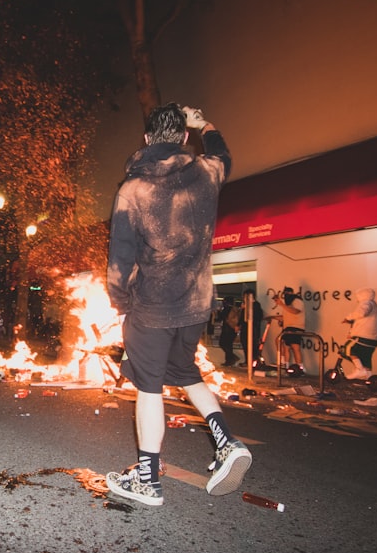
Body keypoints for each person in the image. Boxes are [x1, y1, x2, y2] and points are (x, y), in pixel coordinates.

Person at [105, 103, 250, 507]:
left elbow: (120, 256)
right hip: (196, 304)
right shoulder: (207, 172)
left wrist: (119, 302)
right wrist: (205, 122)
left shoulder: (132, 190)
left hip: (152, 305)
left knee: (148, 386)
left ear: (148, 140)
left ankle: (148, 480)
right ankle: (226, 441)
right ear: (185, 137)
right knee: (186, 372)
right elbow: (224, 155)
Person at [341, 287, 377, 379]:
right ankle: (369, 376)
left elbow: (361, 313)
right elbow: (365, 320)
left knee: (348, 348)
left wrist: (348, 317)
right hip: (374, 338)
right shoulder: (374, 305)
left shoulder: (366, 303)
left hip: (363, 335)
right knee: (366, 356)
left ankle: (359, 369)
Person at [271, 286, 306, 376]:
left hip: (296, 327)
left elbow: (295, 311)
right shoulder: (287, 304)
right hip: (288, 327)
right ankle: (285, 365)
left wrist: (282, 304)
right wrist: (272, 317)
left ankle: (300, 368)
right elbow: (286, 316)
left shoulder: (297, 301)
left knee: (295, 347)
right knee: (284, 345)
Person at [238, 288, 263, 367]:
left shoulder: (256, 305)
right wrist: (239, 325)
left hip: (253, 328)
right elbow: (242, 317)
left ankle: (254, 361)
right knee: (245, 344)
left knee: (253, 345)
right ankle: (247, 361)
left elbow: (258, 317)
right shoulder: (245, 305)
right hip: (245, 328)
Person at [217, 296, 240, 367]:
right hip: (233, 329)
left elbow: (220, 317)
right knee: (229, 345)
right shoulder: (235, 309)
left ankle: (231, 359)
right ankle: (229, 360)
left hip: (227, 329)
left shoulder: (227, 309)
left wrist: (218, 311)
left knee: (222, 343)